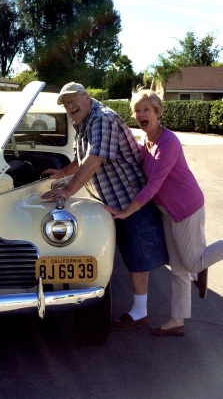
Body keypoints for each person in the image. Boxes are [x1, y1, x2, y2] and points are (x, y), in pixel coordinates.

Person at [41, 82, 168, 330]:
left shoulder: (102, 119)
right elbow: (82, 157)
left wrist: (67, 190)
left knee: (138, 257)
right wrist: (62, 173)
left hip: (131, 199)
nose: (69, 106)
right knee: (131, 252)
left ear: (86, 96)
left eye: (72, 100)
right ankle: (192, 269)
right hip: (114, 201)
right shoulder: (84, 122)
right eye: (65, 104)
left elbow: (94, 158)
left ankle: (141, 311)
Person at [104, 88, 223, 336]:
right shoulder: (146, 141)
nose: (140, 114)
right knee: (178, 269)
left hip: (186, 207)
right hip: (167, 211)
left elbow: (153, 185)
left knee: (191, 263)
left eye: (146, 109)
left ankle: (205, 261)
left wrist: (126, 212)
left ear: (158, 112)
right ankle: (177, 321)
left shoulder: (168, 142)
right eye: (137, 110)